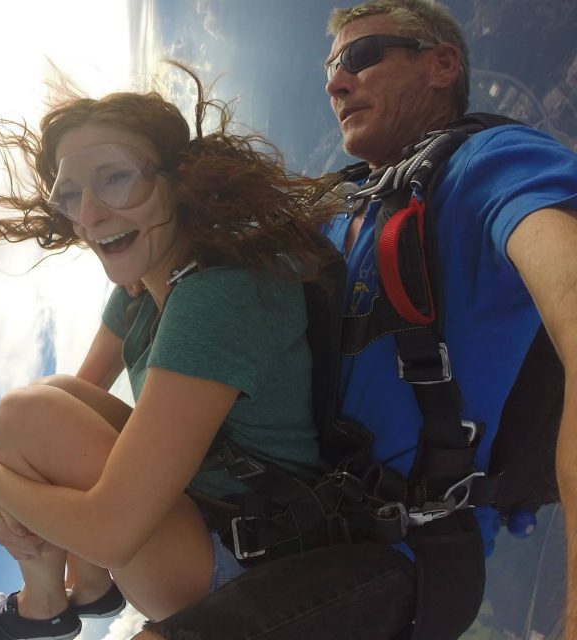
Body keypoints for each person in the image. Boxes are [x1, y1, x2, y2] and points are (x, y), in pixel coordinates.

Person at [130, 1, 577, 639]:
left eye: (360, 58)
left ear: (441, 65)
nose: (337, 84)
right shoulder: (336, 212)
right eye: (330, 71)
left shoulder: (489, 167)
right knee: (64, 422)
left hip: (406, 557)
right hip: (307, 522)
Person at [0, 66, 342, 640]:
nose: (88, 215)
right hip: (206, 517)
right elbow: (63, 417)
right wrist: (12, 470)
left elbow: (108, 533)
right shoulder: (141, 296)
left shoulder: (217, 295)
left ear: (177, 180)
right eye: (70, 194)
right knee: (47, 402)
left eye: (115, 178)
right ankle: (74, 595)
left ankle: (50, 603)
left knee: (25, 414)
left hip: (252, 563)